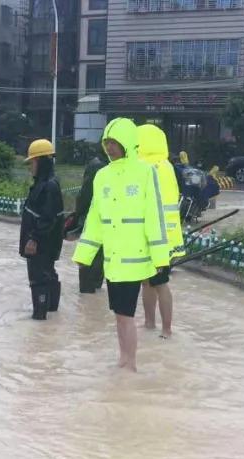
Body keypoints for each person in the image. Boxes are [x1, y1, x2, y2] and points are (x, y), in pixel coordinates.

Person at [72, 118, 170, 371]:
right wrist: (85, 253)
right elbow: (95, 217)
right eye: (107, 143)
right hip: (113, 259)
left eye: (114, 143)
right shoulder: (102, 175)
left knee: (126, 315)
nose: (110, 148)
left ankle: (131, 364)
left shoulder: (146, 172)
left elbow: (155, 216)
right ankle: (123, 359)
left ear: (127, 142)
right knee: (119, 314)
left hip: (135, 259)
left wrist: (160, 258)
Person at [137, 124, 184, 339]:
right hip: (168, 235)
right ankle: (151, 324)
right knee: (150, 281)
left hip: (155, 236)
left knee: (158, 282)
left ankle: (164, 329)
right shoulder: (167, 166)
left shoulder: (144, 167)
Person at [20, 138, 64, 320]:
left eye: (33, 162)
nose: (31, 167)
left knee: (38, 278)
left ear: (42, 162)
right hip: (45, 243)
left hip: (41, 244)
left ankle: (40, 316)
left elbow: (47, 218)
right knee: (48, 274)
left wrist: (33, 239)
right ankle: (51, 313)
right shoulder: (44, 183)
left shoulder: (48, 186)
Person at [63, 155, 106, 294]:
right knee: (100, 255)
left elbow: (85, 194)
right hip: (107, 218)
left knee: (89, 255)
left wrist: (78, 213)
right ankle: (94, 291)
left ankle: (89, 291)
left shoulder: (96, 165)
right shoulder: (112, 165)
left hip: (93, 217)